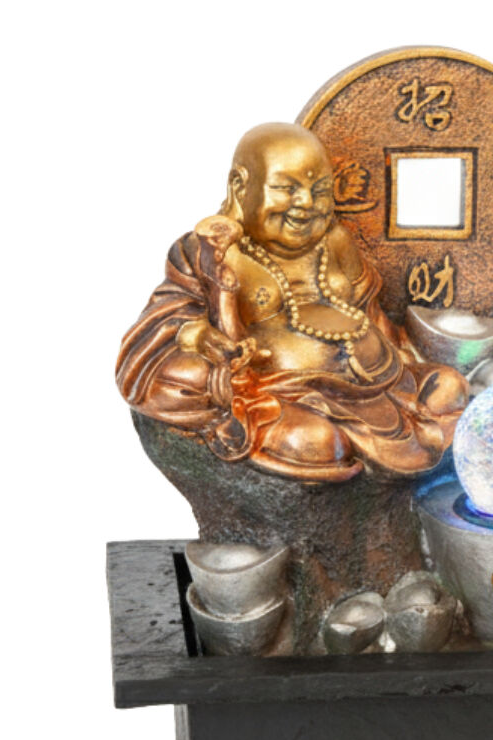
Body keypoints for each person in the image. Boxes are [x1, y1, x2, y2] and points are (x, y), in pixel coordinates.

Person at [116, 123, 469, 481]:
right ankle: (314, 442)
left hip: (379, 382)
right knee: (316, 442)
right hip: (283, 394)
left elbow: (371, 312)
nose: (306, 204)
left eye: (321, 191)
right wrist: (202, 336)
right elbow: (165, 323)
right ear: (240, 186)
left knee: (451, 388)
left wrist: (399, 355)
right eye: (286, 189)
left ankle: (399, 438)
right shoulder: (211, 250)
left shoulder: (336, 241)